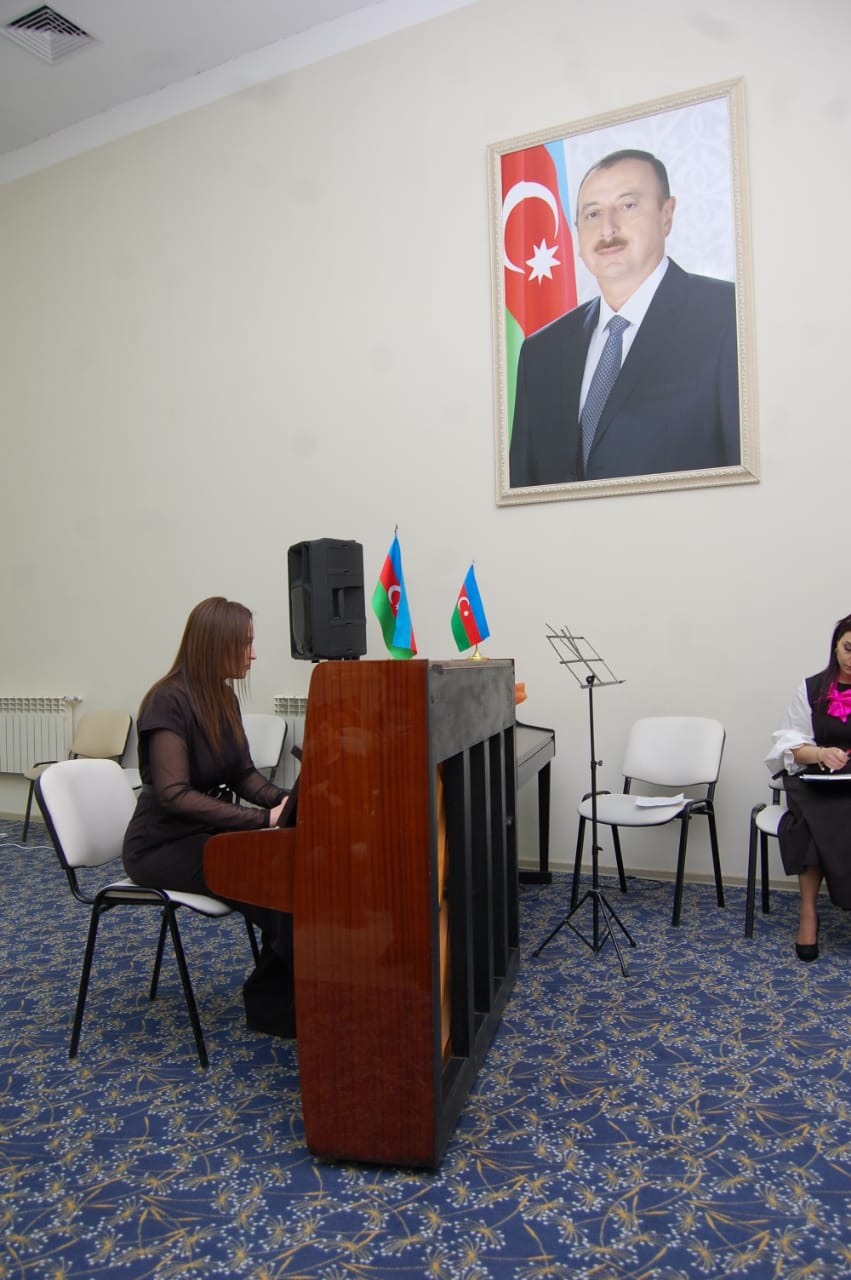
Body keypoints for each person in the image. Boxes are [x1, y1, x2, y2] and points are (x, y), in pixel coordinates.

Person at [508, 148, 740, 487]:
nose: (608, 228)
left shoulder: (729, 315)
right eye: (592, 213)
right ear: (576, 232)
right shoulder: (541, 351)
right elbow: (523, 489)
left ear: (666, 215)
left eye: (628, 205)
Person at [122, 596, 296, 1035]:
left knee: (293, 877)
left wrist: (287, 800)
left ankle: (284, 997)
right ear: (216, 644)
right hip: (162, 846)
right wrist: (263, 821)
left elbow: (242, 774)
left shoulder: (221, 696)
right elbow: (174, 795)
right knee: (274, 883)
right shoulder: (167, 701)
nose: (253, 654)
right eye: (245, 643)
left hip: (209, 836)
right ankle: (278, 1006)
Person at [765, 614, 851, 961]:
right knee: (811, 819)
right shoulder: (812, 688)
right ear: (836, 646)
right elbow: (790, 745)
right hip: (816, 778)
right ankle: (808, 913)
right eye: (848, 648)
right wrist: (821, 753)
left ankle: (813, 910)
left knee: (824, 821)